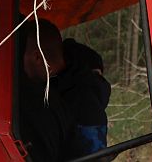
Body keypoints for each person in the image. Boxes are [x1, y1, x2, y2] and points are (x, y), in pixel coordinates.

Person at [17, 19, 111, 161]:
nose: (20, 67)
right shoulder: (50, 87)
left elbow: (92, 156)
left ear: (37, 57)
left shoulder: (84, 105)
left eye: (21, 58)